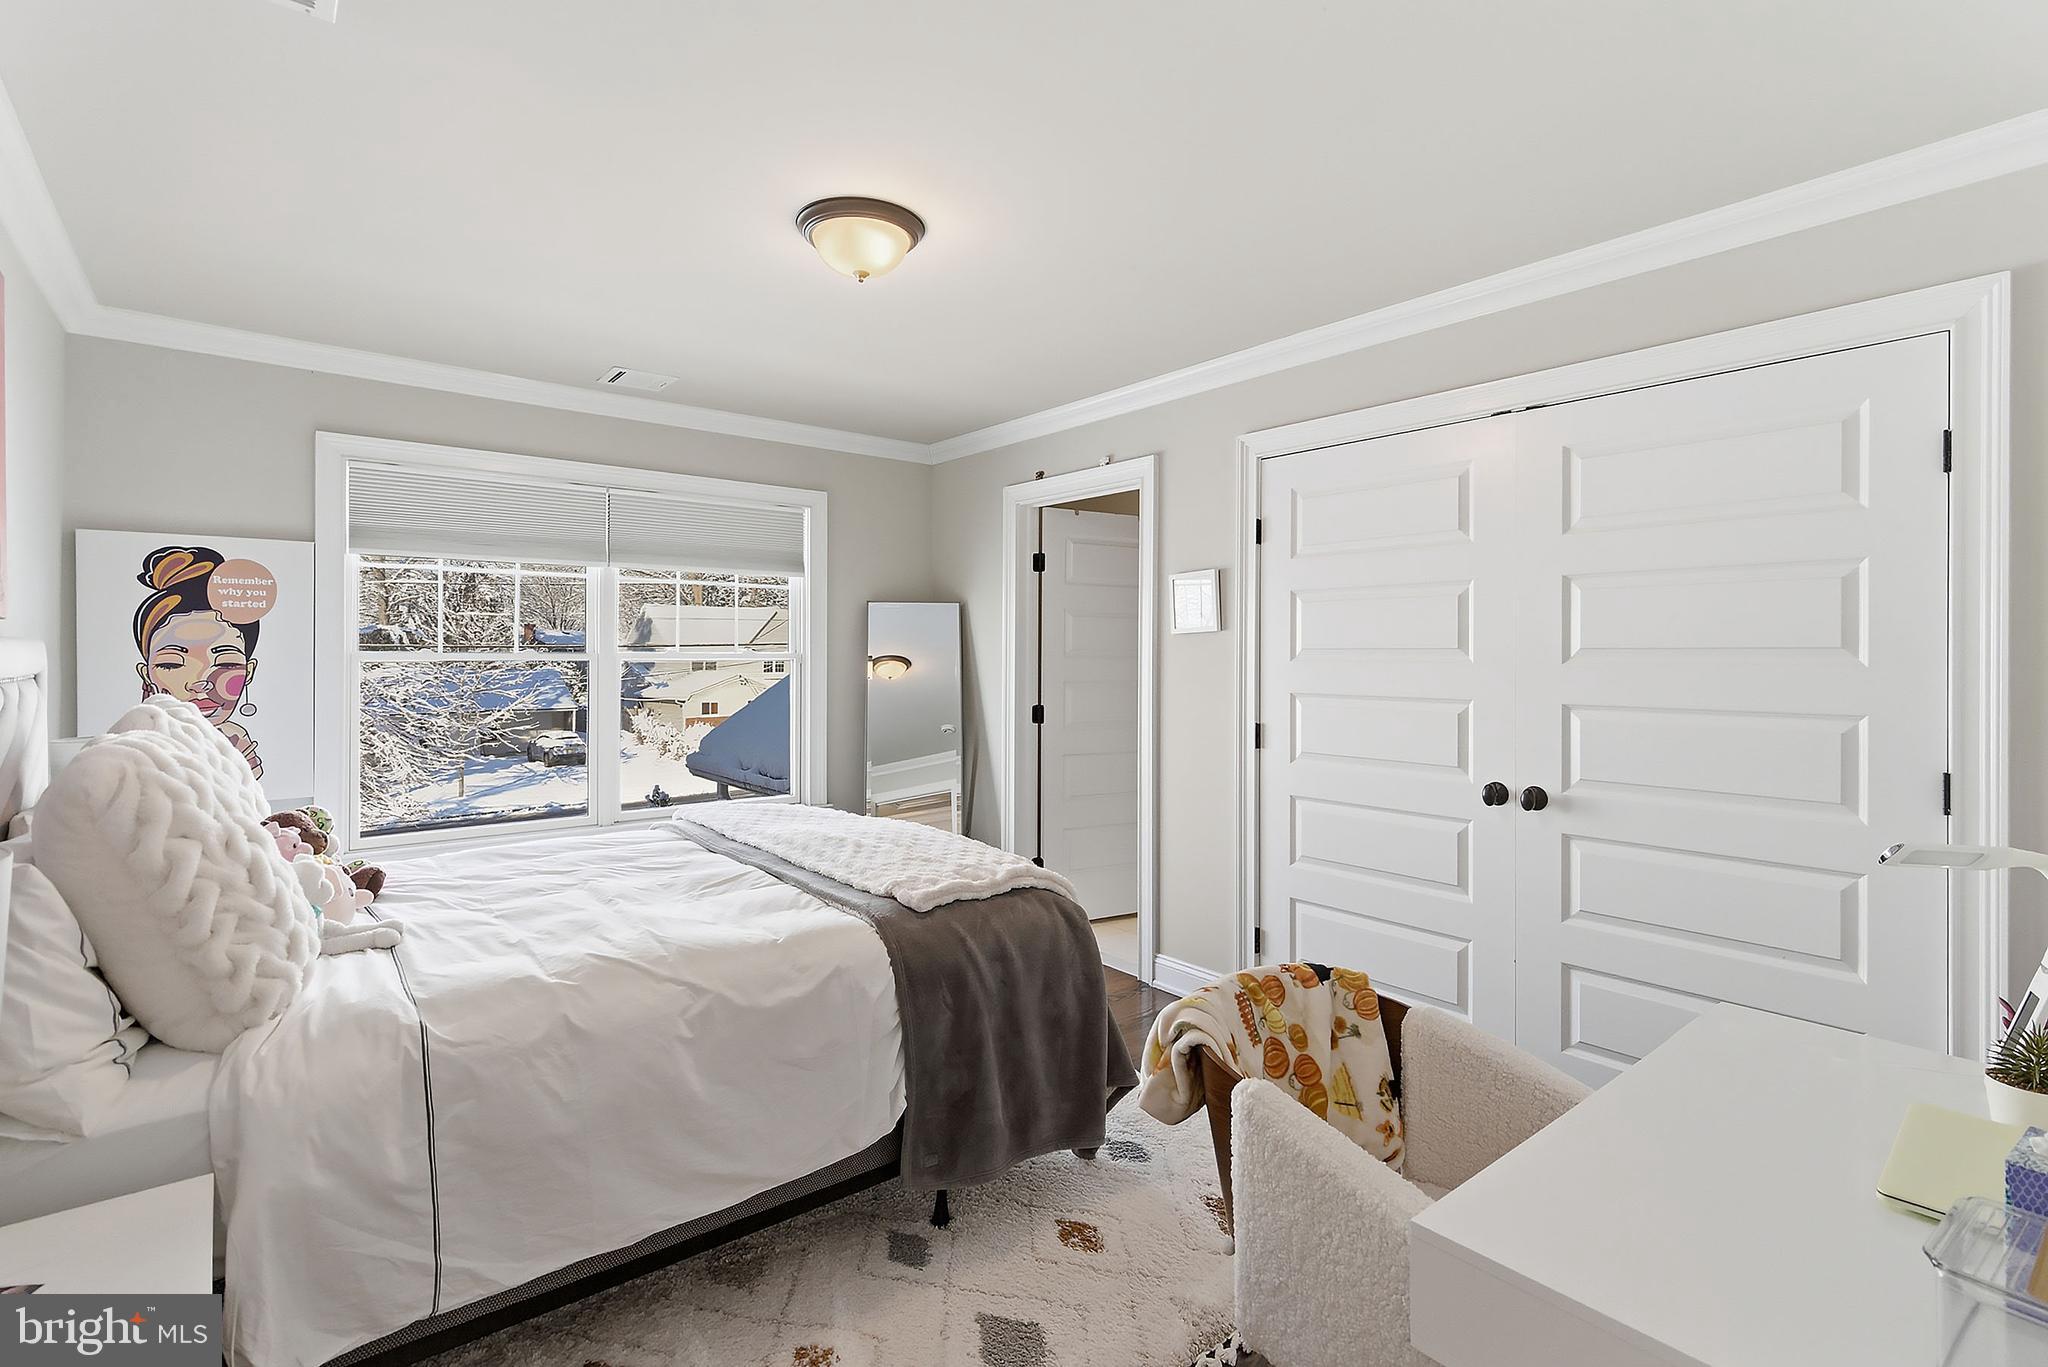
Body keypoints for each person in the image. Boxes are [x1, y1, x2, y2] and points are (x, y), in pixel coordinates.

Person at [131, 545, 264, 777]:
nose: (200, 682)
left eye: (226, 664)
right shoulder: (133, 748)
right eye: (171, 664)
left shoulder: (236, 744)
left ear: (249, 672)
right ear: (146, 674)